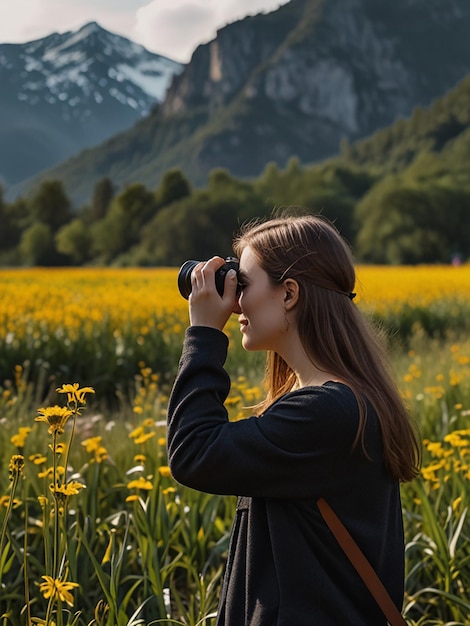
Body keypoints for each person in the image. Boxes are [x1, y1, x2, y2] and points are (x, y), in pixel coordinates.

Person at [167, 213, 421, 625]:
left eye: (242, 284)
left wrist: (204, 335)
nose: (234, 304)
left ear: (289, 294)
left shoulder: (326, 413)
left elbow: (193, 452)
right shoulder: (343, 401)